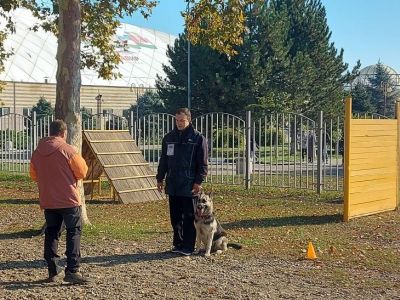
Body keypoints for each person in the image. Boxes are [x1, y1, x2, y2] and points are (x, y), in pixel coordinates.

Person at [30, 120, 89, 284]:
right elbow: (82, 171)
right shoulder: (68, 150)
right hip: (68, 199)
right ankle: (72, 270)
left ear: (50, 132)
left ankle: (53, 270)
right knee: (73, 232)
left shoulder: (38, 152)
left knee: (52, 233)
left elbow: (33, 175)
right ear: (63, 133)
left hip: (48, 199)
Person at [156, 108, 208, 256]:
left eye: (182, 120)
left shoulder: (198, 138)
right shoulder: (168, 138)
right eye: (177, 120)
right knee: (175, 217)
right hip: (173, 184)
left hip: (189, 184)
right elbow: (164, 160)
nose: (179, 123)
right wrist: (160, 178)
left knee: (189, 216)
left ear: (189, 120)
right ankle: (177, 244)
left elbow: (203, 163)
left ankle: (188, 246)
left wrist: (198, 181)